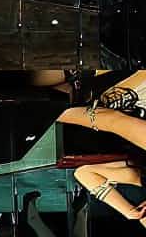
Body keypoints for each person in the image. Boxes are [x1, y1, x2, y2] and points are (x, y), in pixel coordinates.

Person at [56, 71, 146, 228]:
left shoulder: (142, 178)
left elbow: (85, 173)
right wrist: (52, 113)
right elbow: (112, 120)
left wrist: (129, 211)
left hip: (110, 96)